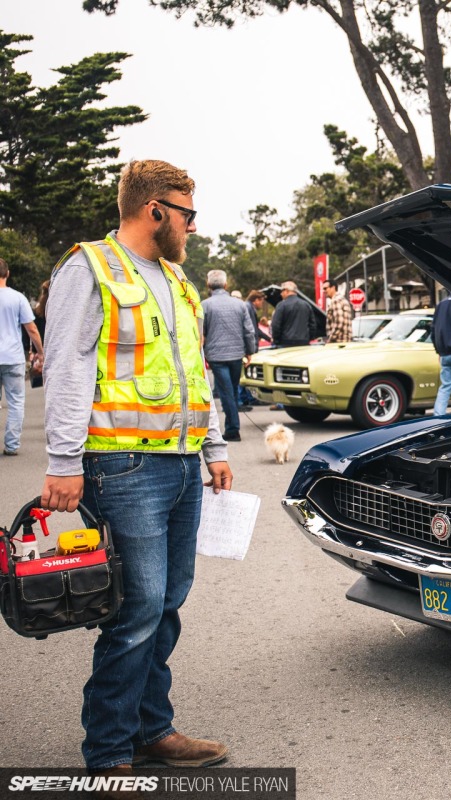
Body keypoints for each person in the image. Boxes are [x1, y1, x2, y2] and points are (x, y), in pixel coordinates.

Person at [39, 159, 232, 779]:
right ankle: (109, 753)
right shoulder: (88, 267)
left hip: (179, 463)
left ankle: (154, 729)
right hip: (122, 465)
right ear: (155, 211)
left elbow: (194, 370)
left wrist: (216, 448)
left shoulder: (176, 280)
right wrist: (64, 461)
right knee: (137, 607)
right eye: (187, 214)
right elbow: (66, 365)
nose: (192, 227)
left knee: (169, 601)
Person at [200, 269, 256, 441]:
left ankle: (232, 429)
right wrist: (250, 352)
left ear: (208, 285)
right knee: (231, 390)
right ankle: (233, 426)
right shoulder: (240, 305)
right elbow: (249, 331)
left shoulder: (205, 305)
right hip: (237, 354)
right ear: (226, 285)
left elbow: (201, 333)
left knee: (226, 392)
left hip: (216, 356)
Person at [0, 258, 43, 456]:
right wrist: (40, 351)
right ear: (7, 274)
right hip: (12, 357)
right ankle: (11, 445)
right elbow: (31, 328)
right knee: (16, 402)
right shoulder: (18, 298)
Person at [270, 280, 316, 348]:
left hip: (285, 342)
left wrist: (276, 340)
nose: (281, 294)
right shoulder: (306, 305)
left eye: (282, 291)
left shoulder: (281, 305)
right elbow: (312, 325)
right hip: (304, 342)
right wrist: (309, 338)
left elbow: (275, 325)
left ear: (287, 291)